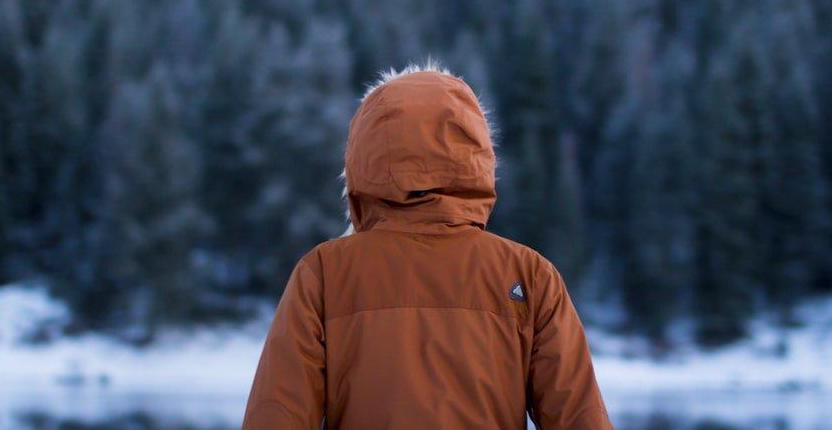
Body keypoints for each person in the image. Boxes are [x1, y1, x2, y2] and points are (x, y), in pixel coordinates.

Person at [242, 64, 612, 429]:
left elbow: (276, 415)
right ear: (477, 156)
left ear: (364, 158)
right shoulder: (528, 274)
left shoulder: (324, 272)